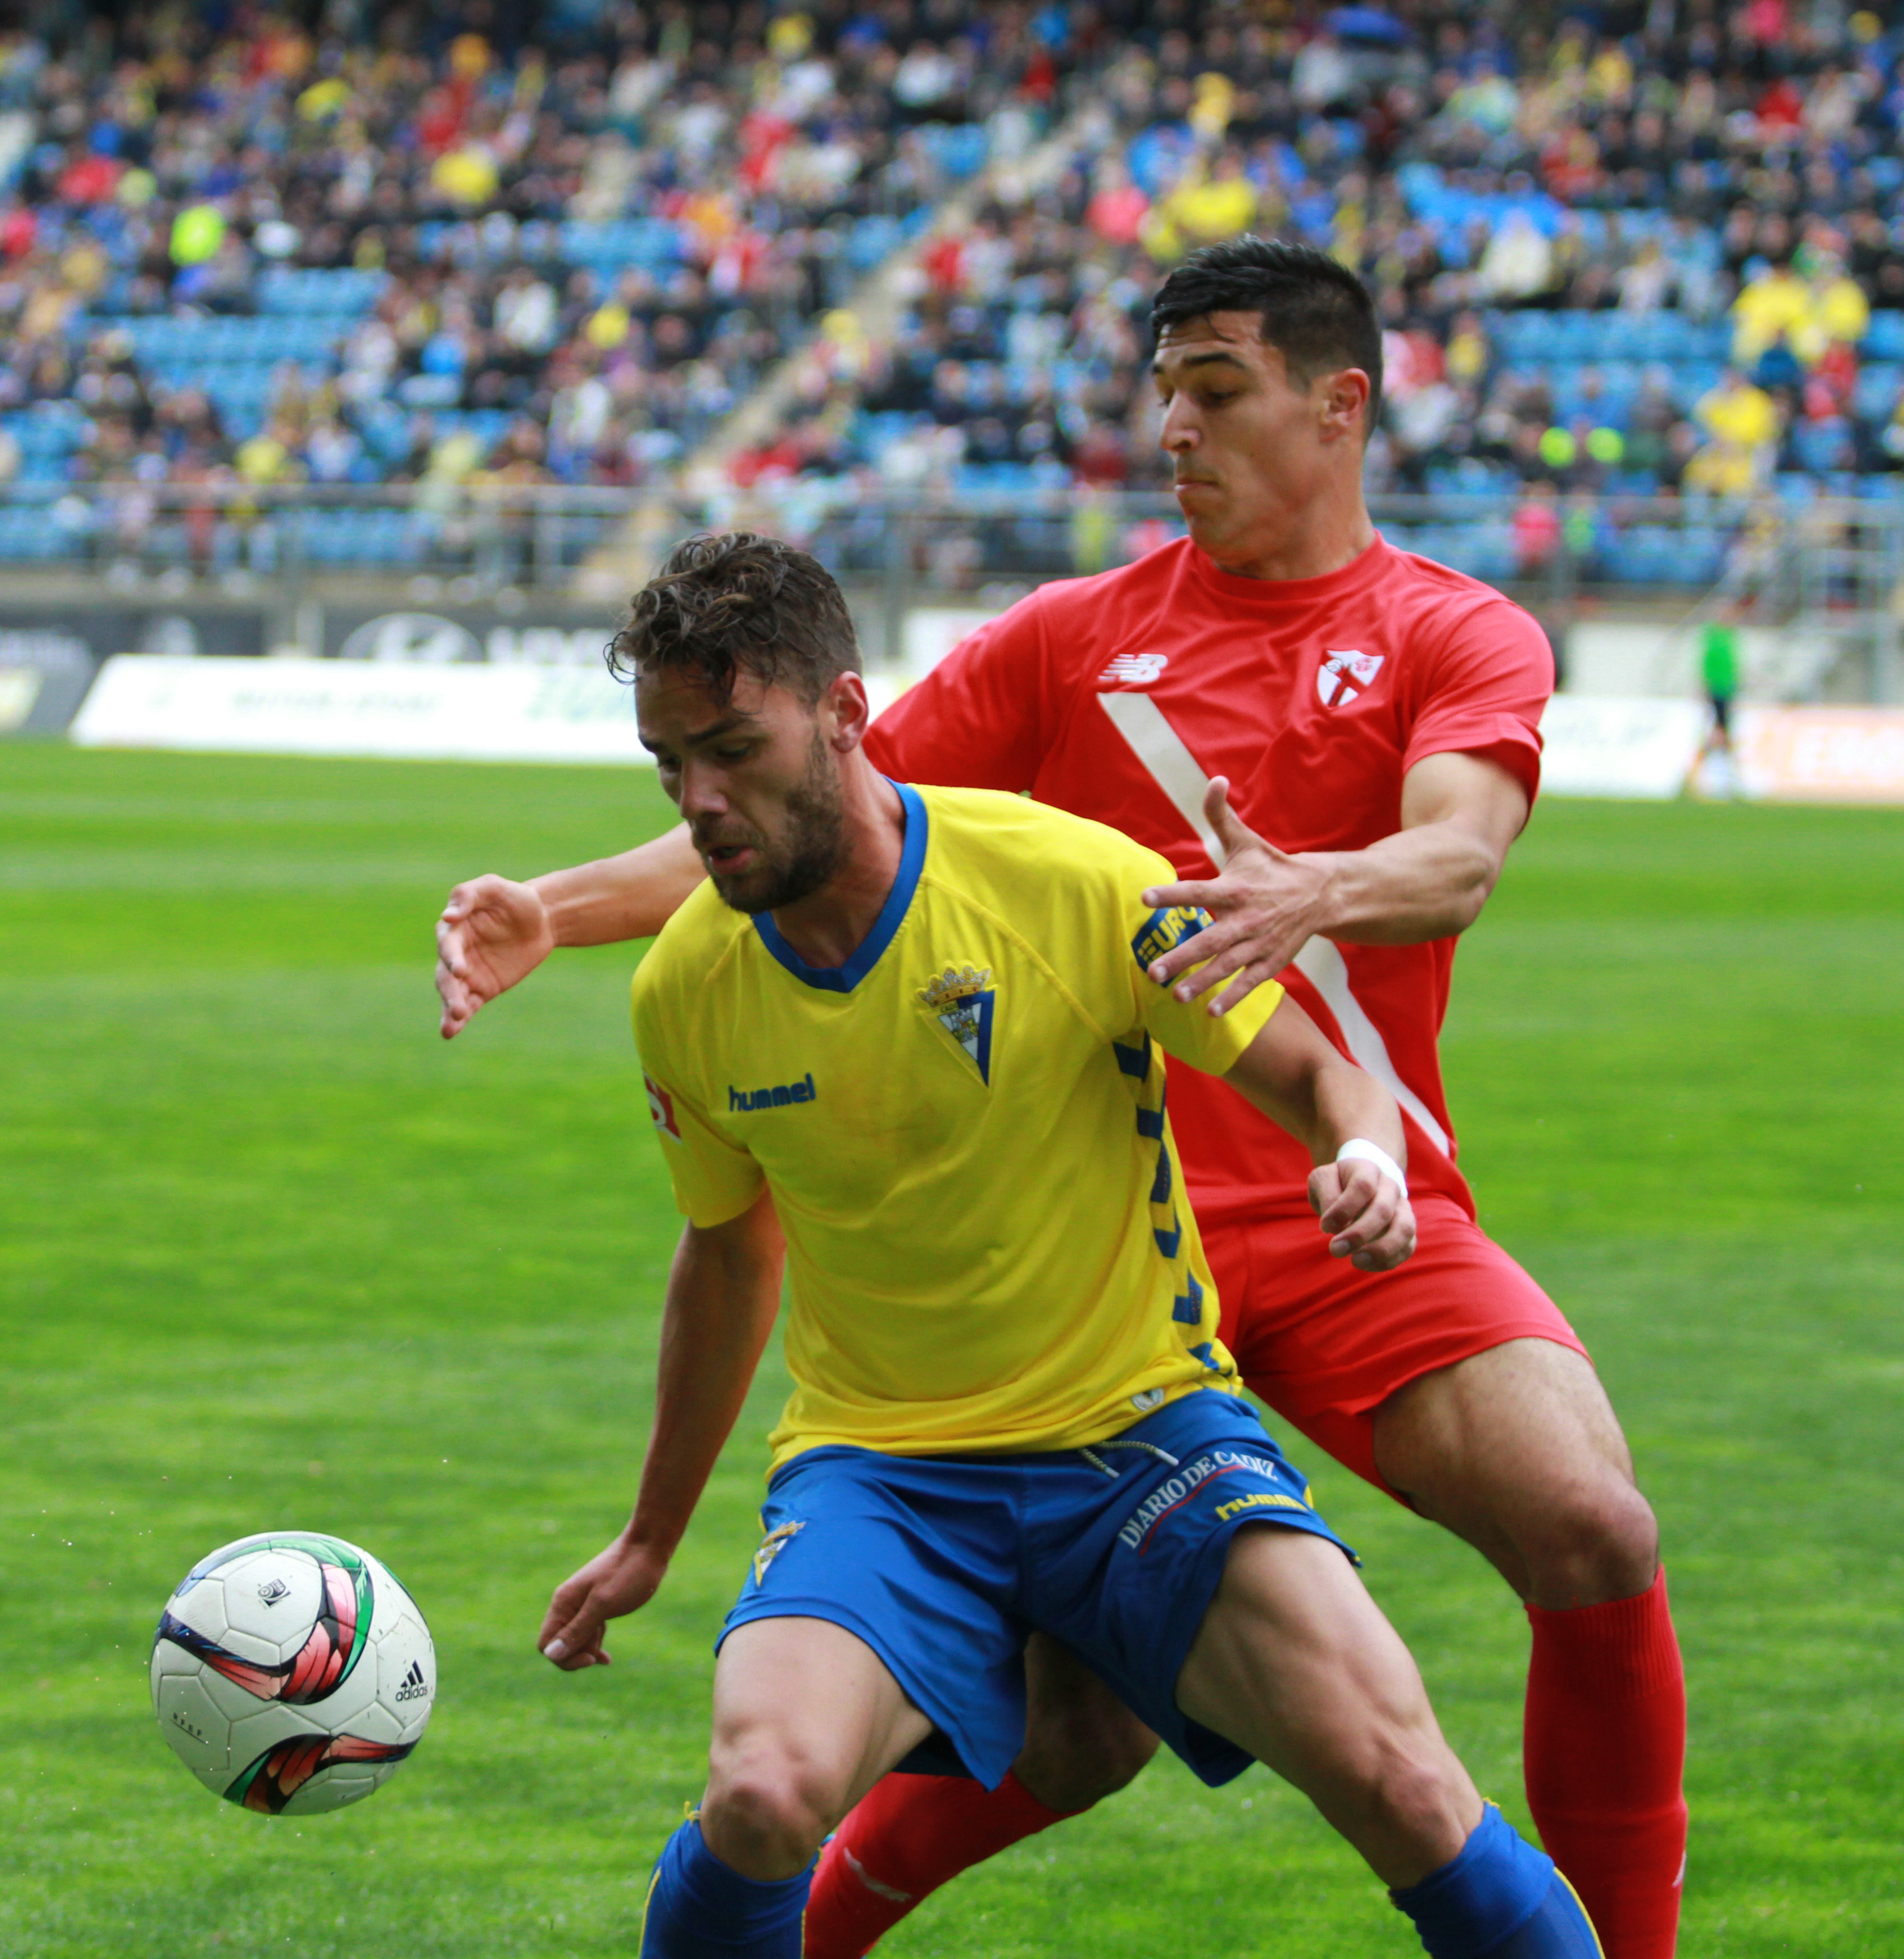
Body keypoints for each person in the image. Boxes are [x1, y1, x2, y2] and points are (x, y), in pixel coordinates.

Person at [437, 239, 1686, 1959]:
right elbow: (794, 783)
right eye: (1163, 390)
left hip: (1345, 1193)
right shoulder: (1071, 638)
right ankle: (817, 1923)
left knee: (1592, 1523)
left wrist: (1305, 893)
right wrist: (556, 908)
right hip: (1091, 1240)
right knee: (1077, 1731)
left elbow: (1459, 851)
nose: (1174, 428)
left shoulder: (1447, 629)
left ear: (1344, 405)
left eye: (1217, 391)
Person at [562, 532, 1601, 1959]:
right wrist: (647, 1537)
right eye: (667, 763)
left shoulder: (1067, 883)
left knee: (1410, 1788)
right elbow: (726, 1257)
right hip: (885, 1471)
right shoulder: (683, 984)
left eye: (731, 748)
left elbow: (1320, 1079)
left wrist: (1361, 1155)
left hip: (1141, 1440)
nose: (699, 802)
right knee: (758, 1792)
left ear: (848, 713)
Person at [1689, 618, 1741, 798]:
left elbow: (1732, 666)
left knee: (1719, 732)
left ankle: (1700, 774)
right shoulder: (1714, 639)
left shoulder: (1729, 638)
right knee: (1721, 732)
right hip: (1717, 691)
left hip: (1727, 690)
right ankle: (1727, 777)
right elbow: (1708, 665)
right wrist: (1705, 687)